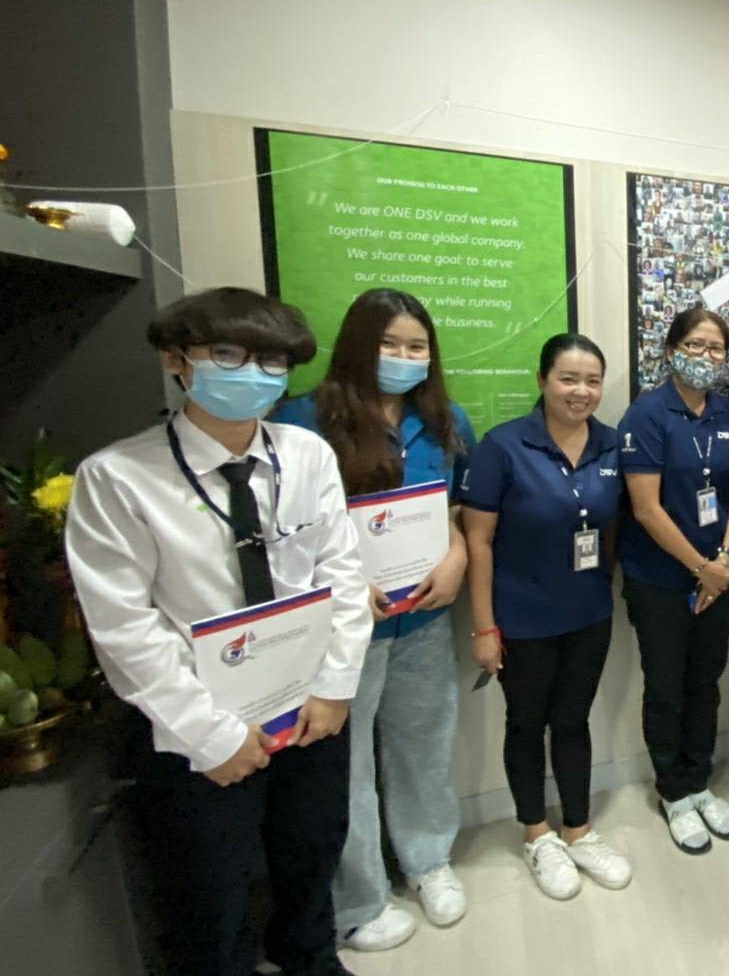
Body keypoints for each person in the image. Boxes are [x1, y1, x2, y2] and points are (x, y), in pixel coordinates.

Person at [65, 287, 371, 976]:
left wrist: (335, 687)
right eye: (228, 354)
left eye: (271, 361)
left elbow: (343, 574)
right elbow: (125, 629)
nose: (253, 374)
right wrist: (212, 735)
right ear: (177, 361)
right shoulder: (118, 478)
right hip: (200, 727)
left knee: (311, 855)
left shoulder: (307, 454)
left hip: (309, 710)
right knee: (210, 891)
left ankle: (310, 960)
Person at [272, 289, 475, 952]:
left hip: (423, 621)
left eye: (417, 347)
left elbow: (454, 512)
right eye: (389, 344)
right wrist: (343, 587)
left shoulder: (446, 421)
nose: (404, 358)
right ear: (360, 345)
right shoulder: (303, 421)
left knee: (424, 747)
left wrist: (456, 559)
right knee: (346, 767)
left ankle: (428, 860)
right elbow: (286, 532)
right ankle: (359, 897)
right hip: (341, 631)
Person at [462, 333, 632, 901]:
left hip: (589, 613)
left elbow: (615, 526)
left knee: (573, 720)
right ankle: (537, 834)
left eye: (592, 381)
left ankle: (578, 829)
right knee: (526, 723)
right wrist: (484, 627)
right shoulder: (503, 446)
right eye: (568, 379)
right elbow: (478, 541)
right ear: (542, 381)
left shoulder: (611, 445)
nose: (581, 391)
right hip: (521, 618)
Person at [618, 307, 729, 854]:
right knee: (666, 689)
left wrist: (724, 559)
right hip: (660, 580)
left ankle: (700, 782)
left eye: (715, 348)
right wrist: (702, 568)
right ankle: (673, 793)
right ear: (672, 350)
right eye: (694, 345)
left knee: (705, 683)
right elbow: (646, 509)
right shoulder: (646, 415)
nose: (705, 356)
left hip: (718, 575)